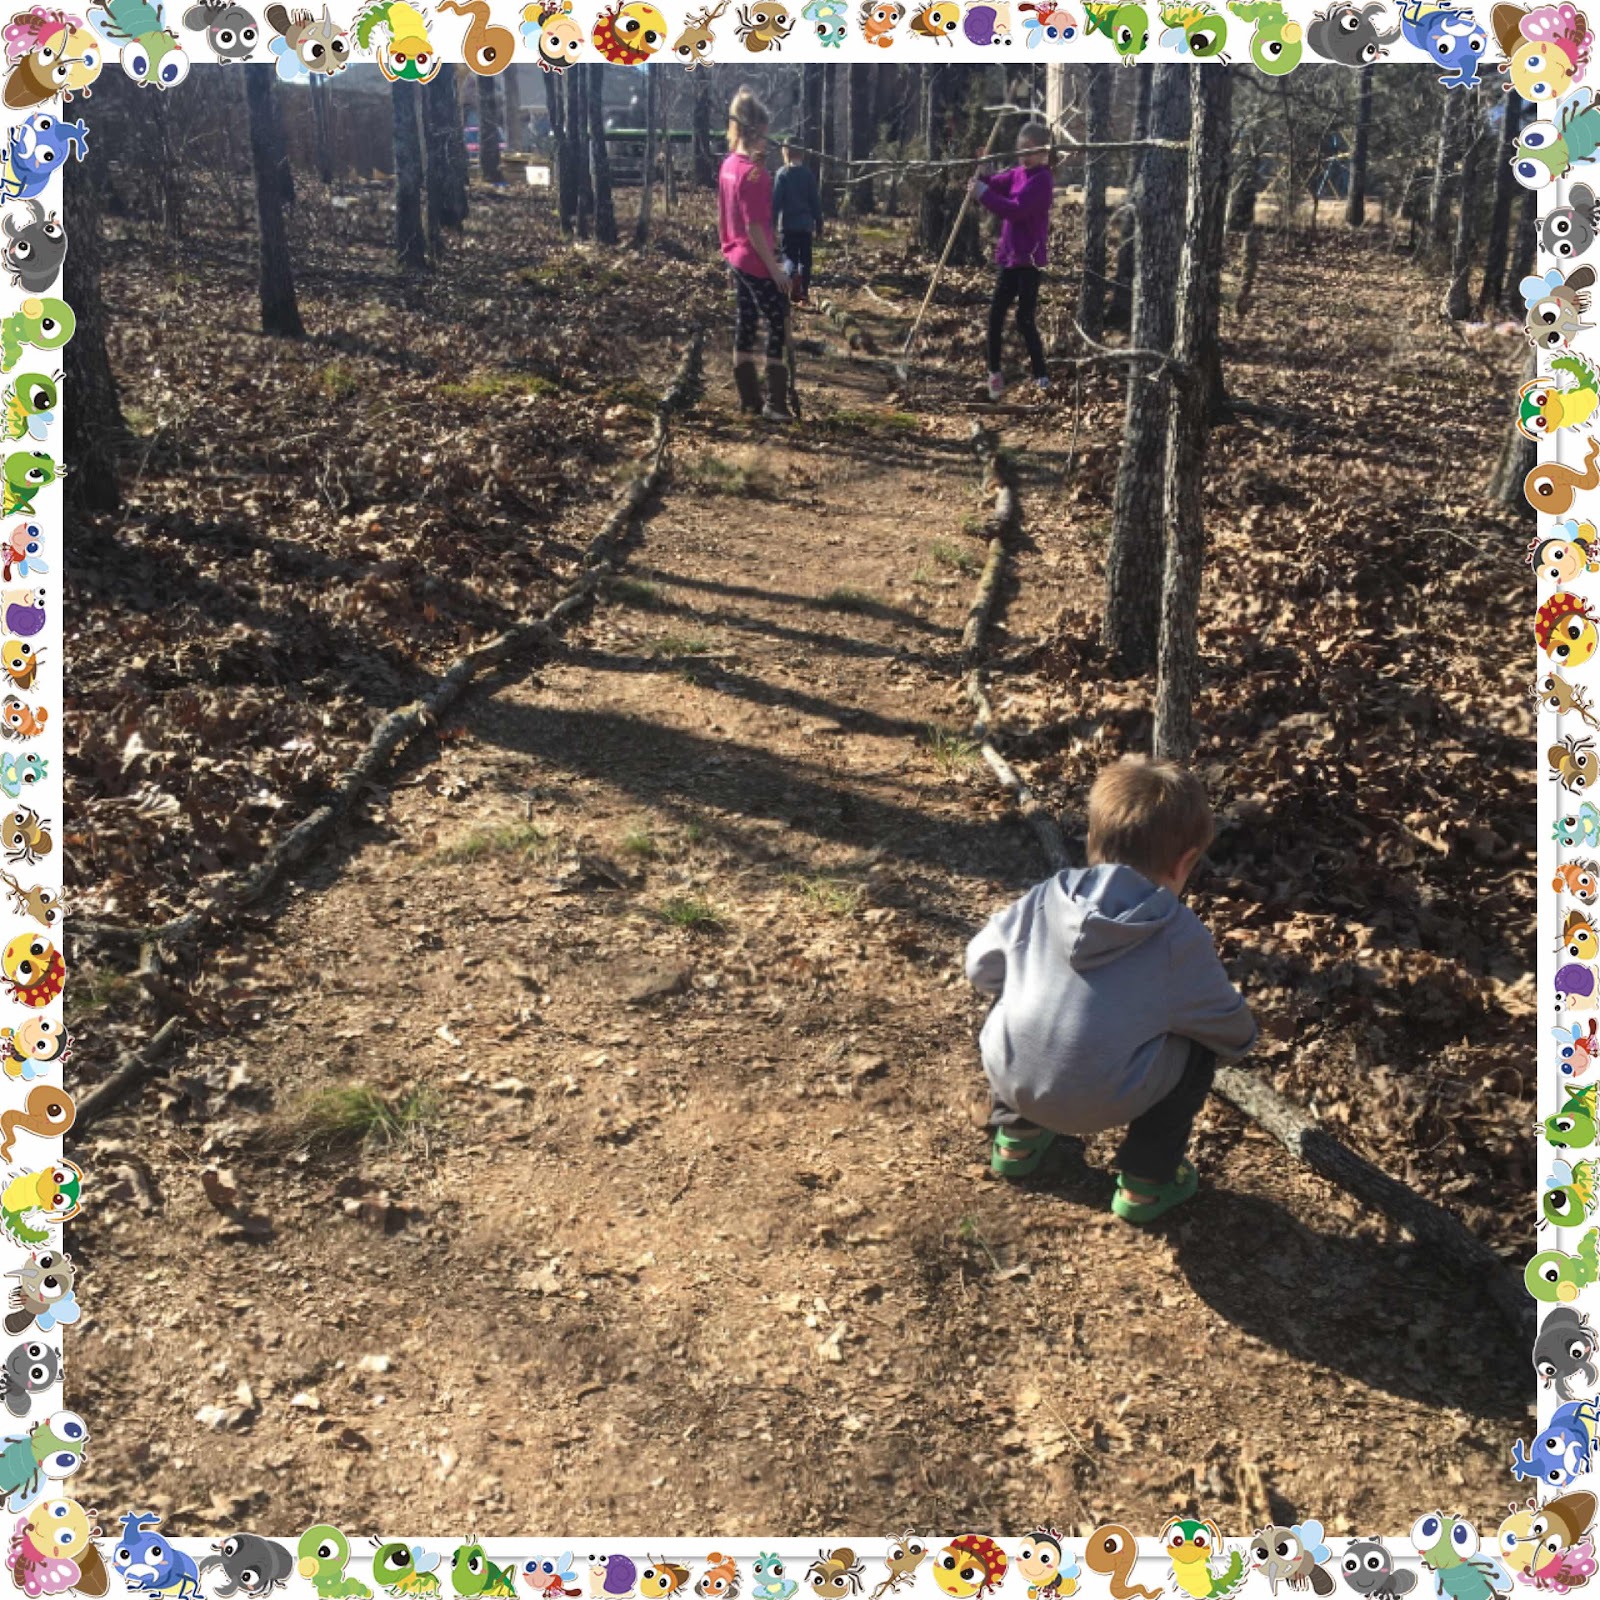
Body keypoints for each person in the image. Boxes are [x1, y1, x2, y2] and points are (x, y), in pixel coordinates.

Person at [964, 757, 1258, 1223]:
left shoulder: (1046, 896)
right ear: (1185, 863)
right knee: (1198, 1048)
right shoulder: (1177, 935)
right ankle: (1146, 1185)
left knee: (1021, 990)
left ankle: (1016, 1143)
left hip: (1011, 1076)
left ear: (1091, 840)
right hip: (1101, 1101)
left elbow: (980, 967)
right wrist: (1242, 1043)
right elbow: (1225, 1023)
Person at [717, 87, 793, 423]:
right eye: (765, 133)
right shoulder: (754, 173)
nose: (767, 140)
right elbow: (754, 227)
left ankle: (749, 399)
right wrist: (775, 269)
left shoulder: (728, 165)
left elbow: (724, 217)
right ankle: (775, 403)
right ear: (755, 130)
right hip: (753, 260)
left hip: (735, 257)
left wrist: (728, 257)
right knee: (778, 321)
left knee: (746, 321)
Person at [968, 120, 1055, 403]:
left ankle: (1041, 374)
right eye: (1022, 149)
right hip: (1008, 258)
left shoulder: (1042, 181)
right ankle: (994, 373)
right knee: (995, 316)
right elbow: (994, 184)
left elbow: (1015, 210)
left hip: (1029, 261)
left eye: (1032, 150)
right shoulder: (1017, 173)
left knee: (1024, 318)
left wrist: (982, 194)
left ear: (1044, 152)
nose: (1025, 156)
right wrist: (984, 173)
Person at [772, 140, 822, 307]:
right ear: (802, 153)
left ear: (785, 153)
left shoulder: (782, 174)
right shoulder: (808, 174)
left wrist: (771, 224)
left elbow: (776, 202)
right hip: (806, 225)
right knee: (805, 260)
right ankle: (804, 293)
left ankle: (792, 275)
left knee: (788, 256)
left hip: (788, 225)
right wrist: (819, 222)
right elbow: (815, 201)